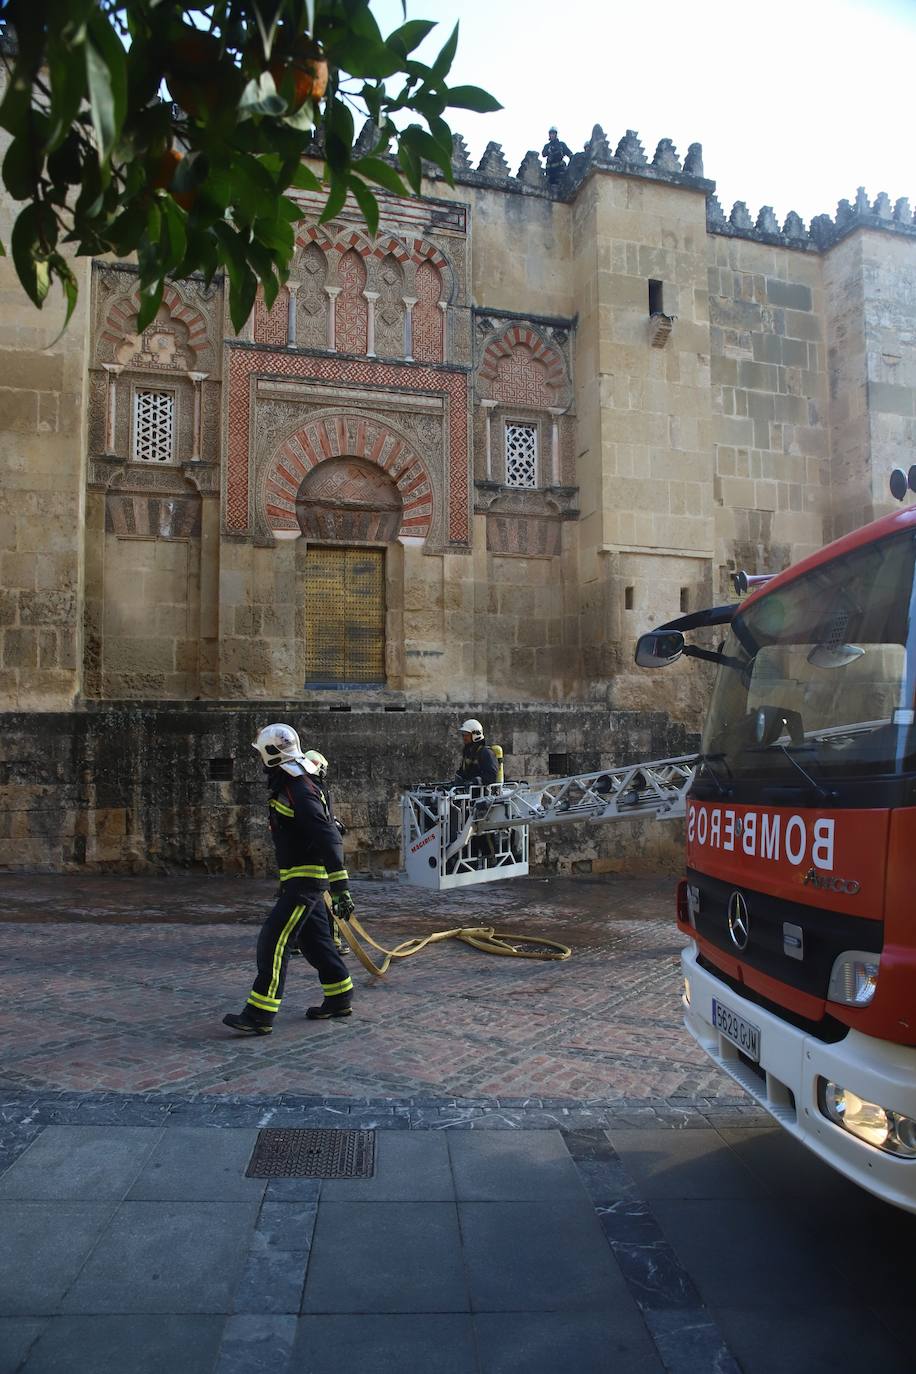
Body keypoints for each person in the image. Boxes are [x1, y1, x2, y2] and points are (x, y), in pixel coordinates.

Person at [222, 723, 355, 1036]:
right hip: (301, 879)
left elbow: (329, 836)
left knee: (274, 939)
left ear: (271, 755)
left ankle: (259, 1013)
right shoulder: (296, 785)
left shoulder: (297, 789)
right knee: (315, 941)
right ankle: (339, 995)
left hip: (305, 883)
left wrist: (341, 888)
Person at [302, 747, 349, 956]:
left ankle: (297, 943)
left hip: (301, 856)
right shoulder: (315, 789)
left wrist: (333, 822)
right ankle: (334, 942)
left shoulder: (300, 788)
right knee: (330, 896)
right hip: (319, 855)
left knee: (302, 899)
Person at [453, 718, 499, 787]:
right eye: (463, 734)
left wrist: (476, 781)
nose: (464, 737)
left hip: (483, 794)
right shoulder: (468, 752)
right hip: (469, 793)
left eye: (466, 734)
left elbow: (491, 776)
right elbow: (463, 772)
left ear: (476, 734)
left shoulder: (486, 753)